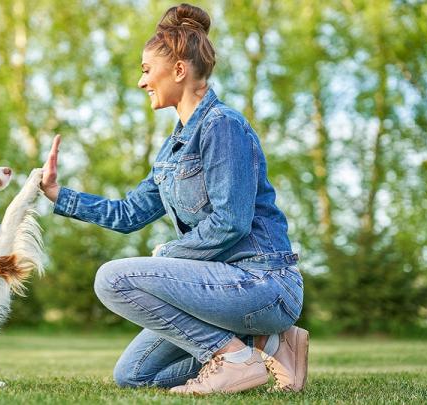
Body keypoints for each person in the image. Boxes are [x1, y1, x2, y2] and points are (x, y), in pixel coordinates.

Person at [39, 3, 307, 395]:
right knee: (134, 375)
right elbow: (130, 213)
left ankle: (232, 358)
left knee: (112, 278)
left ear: (179, 70)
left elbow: (231, 221)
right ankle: (269, 344)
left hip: (262, 282)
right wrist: (59, 195)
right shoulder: (172, 150)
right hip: (220, 289)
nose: (141, 82)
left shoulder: (223, 126)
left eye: (147, 70)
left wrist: (168, 255)